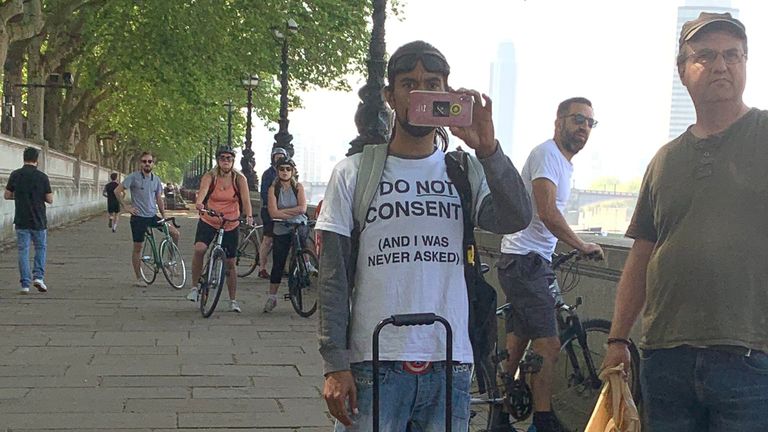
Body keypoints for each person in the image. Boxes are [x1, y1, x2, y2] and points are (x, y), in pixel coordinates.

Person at [316, 40, 532, 431]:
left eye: (432, 84)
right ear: (390, 96)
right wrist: (335, 364)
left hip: (449, 360)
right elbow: (333, 277)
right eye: (409, 84)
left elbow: (516, 216)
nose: (420, 93)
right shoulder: (352, 173)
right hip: (372, 361)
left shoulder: (465, 171)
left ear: (447, 94)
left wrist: (489, 150)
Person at [603, 12, 768, 431]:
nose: (720, 65)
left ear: (746, 64)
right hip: (665, 357)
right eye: (706, 56)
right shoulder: (664, 160)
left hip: (750, 357)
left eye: (733, 55)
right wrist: (618, 338)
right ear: (682, 71)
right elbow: (642, 253)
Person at [497, 97, 604, 432]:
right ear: (558, 123)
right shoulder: (547, 155)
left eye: (589, 123)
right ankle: (542, 422)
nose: (584, 128)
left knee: (516, 346)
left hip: (528, 258)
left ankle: (498, 418)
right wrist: (581, 244)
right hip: (525, 261)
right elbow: (546, 211)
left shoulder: (563, 162)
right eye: (577, 120)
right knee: (549, 344)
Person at [186, 146, 253, 313]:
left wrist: (249, 216)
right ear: (218, 160)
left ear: (233, 161)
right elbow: (202, 193)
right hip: (210, 219)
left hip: (231, 221)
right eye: (222, 158)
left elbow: (246, 200)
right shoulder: (210, 176)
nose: (226, 161)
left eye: (229, 158)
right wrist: (200, 204)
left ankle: (233, 300)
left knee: (230, 263)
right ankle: (194, 288)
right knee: (200, 249)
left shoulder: (240, 179)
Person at [114, 151, 180, 287]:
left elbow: (158, 199)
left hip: (152, 216)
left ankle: (170, 262)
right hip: (138, 217)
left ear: (153, 164)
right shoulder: (133, 177)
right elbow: (117, 191)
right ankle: (139, 278)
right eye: (144, 161)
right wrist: (126, 207)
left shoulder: (155, 179)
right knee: (138, 247)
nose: (147, 164)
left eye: (149, 161)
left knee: (174, 233)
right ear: (140, 163)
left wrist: (164, 215)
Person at [4, 147, 53, 294]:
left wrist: (18, 197)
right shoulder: (42, 177)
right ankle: (38, 277)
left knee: (23, 251)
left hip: (21, 219)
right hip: (38, 219)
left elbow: (7, 195)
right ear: (37, 160)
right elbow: (49, 199)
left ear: (23, 158)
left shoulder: (15, 175)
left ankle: (25, 284)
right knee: (40, 248)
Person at [263, 157, 307, 313]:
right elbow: (272, 212)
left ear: (293, 171)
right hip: (281, 228)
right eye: (282, 169)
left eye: (288, 169)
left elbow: (303, 209)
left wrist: (282, 213)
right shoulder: (273, 189)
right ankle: (272, 297)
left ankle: (306, 264)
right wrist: (290, 212)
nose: (285, 172)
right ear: (277, 171)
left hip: (298, 224)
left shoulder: (298, 187)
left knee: (301, 241)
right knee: (278, 263)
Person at [257, 146, 289, 279]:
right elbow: (264, 193)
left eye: (281, 157)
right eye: (277, 157)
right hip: (269, 210)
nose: (279, 159)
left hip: (283, 211)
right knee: (268, 239)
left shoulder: (287, 172)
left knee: (285, 240)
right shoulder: (268, 174)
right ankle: (262, 268)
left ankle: (284, 268)